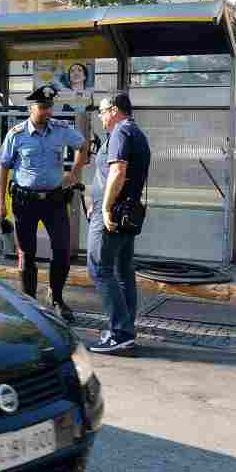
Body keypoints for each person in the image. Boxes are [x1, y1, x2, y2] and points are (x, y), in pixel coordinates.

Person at [0, 85, 92, 322]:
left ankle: (56, 297)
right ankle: (29, 303)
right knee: (27, 254)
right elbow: (3, 168)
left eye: (50, 107)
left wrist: (74, 172)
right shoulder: (16, 134)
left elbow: (83, 146)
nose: (47, 112)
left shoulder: (60, 129)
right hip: (24, 201)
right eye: (43, 107)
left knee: (62, 250)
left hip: (55, 200)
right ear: (31, 108)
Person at [87, 91, 151, 354]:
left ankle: (120, 332)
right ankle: (125, 328)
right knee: (123, 272)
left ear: (114, 110)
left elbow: (118, 170)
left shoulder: (121, 132)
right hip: (127, 212)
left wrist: (104, 207)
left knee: (100, 269)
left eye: (102, 112)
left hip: (112, 215)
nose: (100, 117)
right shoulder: (136, 132)